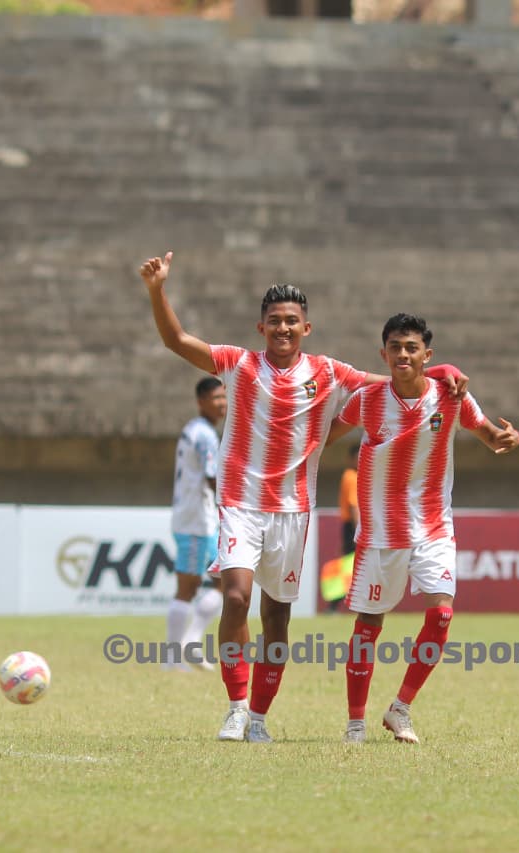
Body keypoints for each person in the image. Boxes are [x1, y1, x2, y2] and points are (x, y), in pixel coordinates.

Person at [139, 251, 468, 744]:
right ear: (261, 327)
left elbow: (398, 381)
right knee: (235, 596)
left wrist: (442, 369)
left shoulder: (329, 373)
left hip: (293, 509)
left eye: (292, 321)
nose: (284, 328)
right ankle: (234, 707)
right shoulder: (239, 363)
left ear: (306, 327)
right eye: (275, 321)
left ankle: (258, 718)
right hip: (240, 502)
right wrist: (156, 289)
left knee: (277, 618)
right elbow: (176, 341)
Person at [326, 313, 519, 745]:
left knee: (442, 613)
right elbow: (324, 439)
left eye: (411, 348)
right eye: (395, 347)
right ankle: (355, 723)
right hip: (380, 532)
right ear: (383, 354)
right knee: (369, 625)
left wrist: (507, 439)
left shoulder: (450, 396)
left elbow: (489, 436)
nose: (402, 355)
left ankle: (400, 709)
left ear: (426, 355)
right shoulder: (368, 400)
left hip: (434, 525)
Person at [165, 377, 227, 672]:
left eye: (224, 397)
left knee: (224, 581)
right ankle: (172, 659)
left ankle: (189, 643)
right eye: (216, 398)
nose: (222, 403)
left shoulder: (194, 429)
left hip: (199, 519)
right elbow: (213, 477)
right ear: (201, 401)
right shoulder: (205, 435)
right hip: (195, 520)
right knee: (187, 587)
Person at [319, 444, 361, 613]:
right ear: (350, 459)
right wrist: (359, 531)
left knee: (351, 565)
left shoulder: (354, 476)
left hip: (351, 526)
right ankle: (334, 605)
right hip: (353, 526)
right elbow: (353, 506)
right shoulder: (351, 476)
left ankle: (337, 605)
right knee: (350, 566)